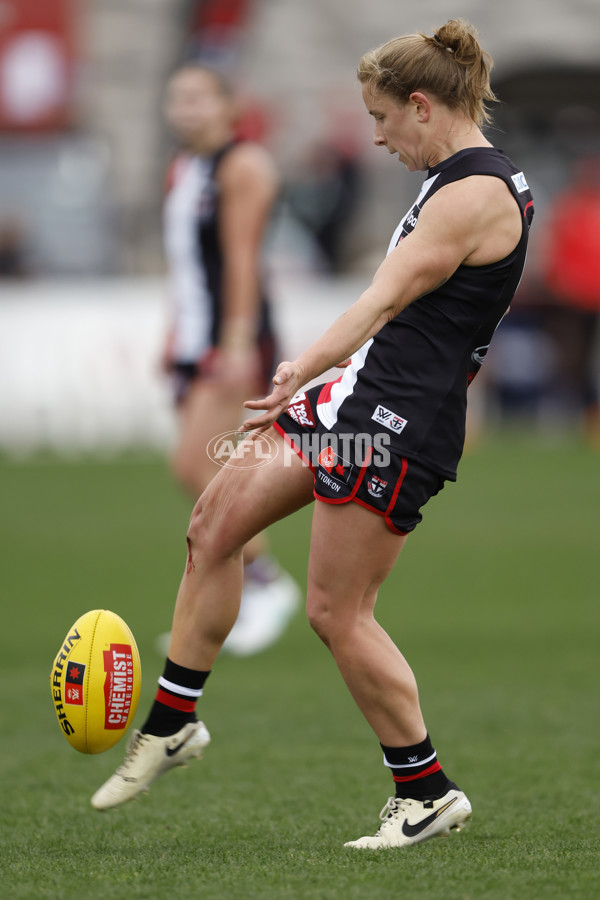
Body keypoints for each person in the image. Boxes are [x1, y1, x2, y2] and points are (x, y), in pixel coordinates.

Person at [92, 20, 534, 850]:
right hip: (355, 399)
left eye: (383, 118)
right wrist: (320, 382)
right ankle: (172, 724)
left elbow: (379, 303)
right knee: (213, 525)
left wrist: (295, 368)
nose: (377, 136)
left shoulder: (475, 191)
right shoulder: (457, 176)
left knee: (338, 611)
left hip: (393, 419)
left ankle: (425, 792)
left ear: (422, 105)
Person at [158, 63, 300, 656]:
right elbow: (189, 264)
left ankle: (265, 582)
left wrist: (237, 345)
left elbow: (242, 260)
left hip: (231, 339)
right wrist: (173, 334)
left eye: (198, 98)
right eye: (177, 99)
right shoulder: (185, 168)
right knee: (199, 472)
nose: (185, 109)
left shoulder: (243, 165)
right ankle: (241, 597)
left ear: (227, 104)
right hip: (197, 339)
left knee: (197, 465)